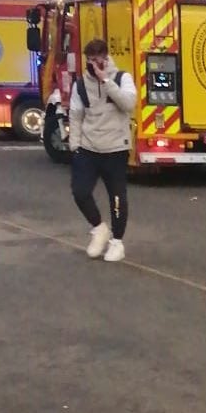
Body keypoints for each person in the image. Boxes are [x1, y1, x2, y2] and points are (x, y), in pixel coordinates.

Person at [68, 38, 137, 263]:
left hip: (116, 148)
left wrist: (106, 80)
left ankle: (117, 242)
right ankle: (99, 228)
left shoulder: (121, 78)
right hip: (88, 148)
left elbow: (129, 104)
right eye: (90, 61)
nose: (94, 65)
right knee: (80, 191)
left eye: (99, 60)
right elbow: (76, 115)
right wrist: (75, 146)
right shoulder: (80, 85)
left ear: (106, 58)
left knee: (117, 197)